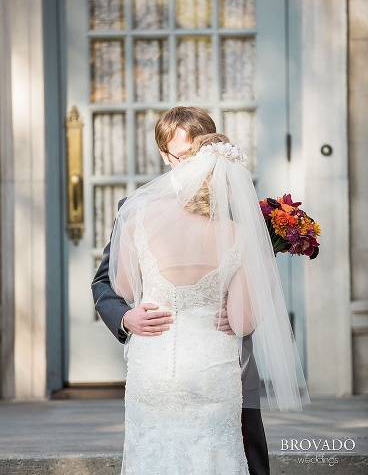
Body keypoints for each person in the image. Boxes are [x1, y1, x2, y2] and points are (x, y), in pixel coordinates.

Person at [103, 132, 308, 474]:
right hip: (212, 362)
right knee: (213, 452)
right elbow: (241, 322)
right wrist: (264, 269)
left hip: (153, 357)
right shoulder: (239, 233)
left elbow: (123, 287)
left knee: (150, 451)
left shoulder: (138, 217)